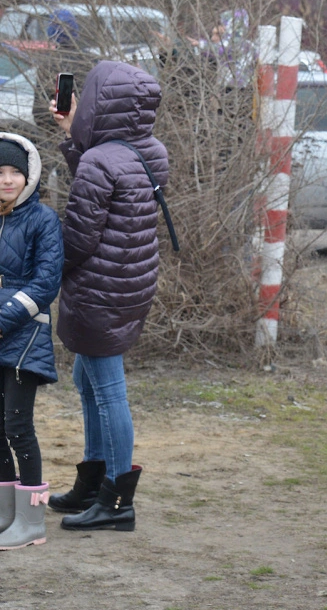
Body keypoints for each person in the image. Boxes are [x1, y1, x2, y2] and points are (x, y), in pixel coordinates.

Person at [47, 61, 170, 533]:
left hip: (98, 290)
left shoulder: (101, 160)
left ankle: (117, 500)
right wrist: (76, 134)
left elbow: (77, 240)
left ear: (102, 103)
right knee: (87, 380)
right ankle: (92, 480)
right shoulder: (149, 150)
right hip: (132, 284)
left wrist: (42, 270)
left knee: (108, 391)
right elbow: (108, 191)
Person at [0, 134, 62, 551]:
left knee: (18, 426)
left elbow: (46, 282)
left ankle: (32, 520)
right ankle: (7, 513)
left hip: (25, 336)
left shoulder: (44, 220)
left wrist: (3, 319)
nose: (7, 180)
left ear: (29, 176)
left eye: (15, 172)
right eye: (0, 173)